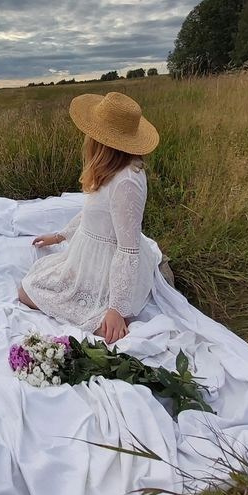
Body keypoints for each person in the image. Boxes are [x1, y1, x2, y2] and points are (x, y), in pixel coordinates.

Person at [18, 91, 161, 345]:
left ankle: (115, 318)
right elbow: (92, 215)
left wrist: (116, 308)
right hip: (89, 257)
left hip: (110, 266)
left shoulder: (127, 181)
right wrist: (60, 235)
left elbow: (128, 249)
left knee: (30, 293)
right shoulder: (110, 169)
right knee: (31, 285)